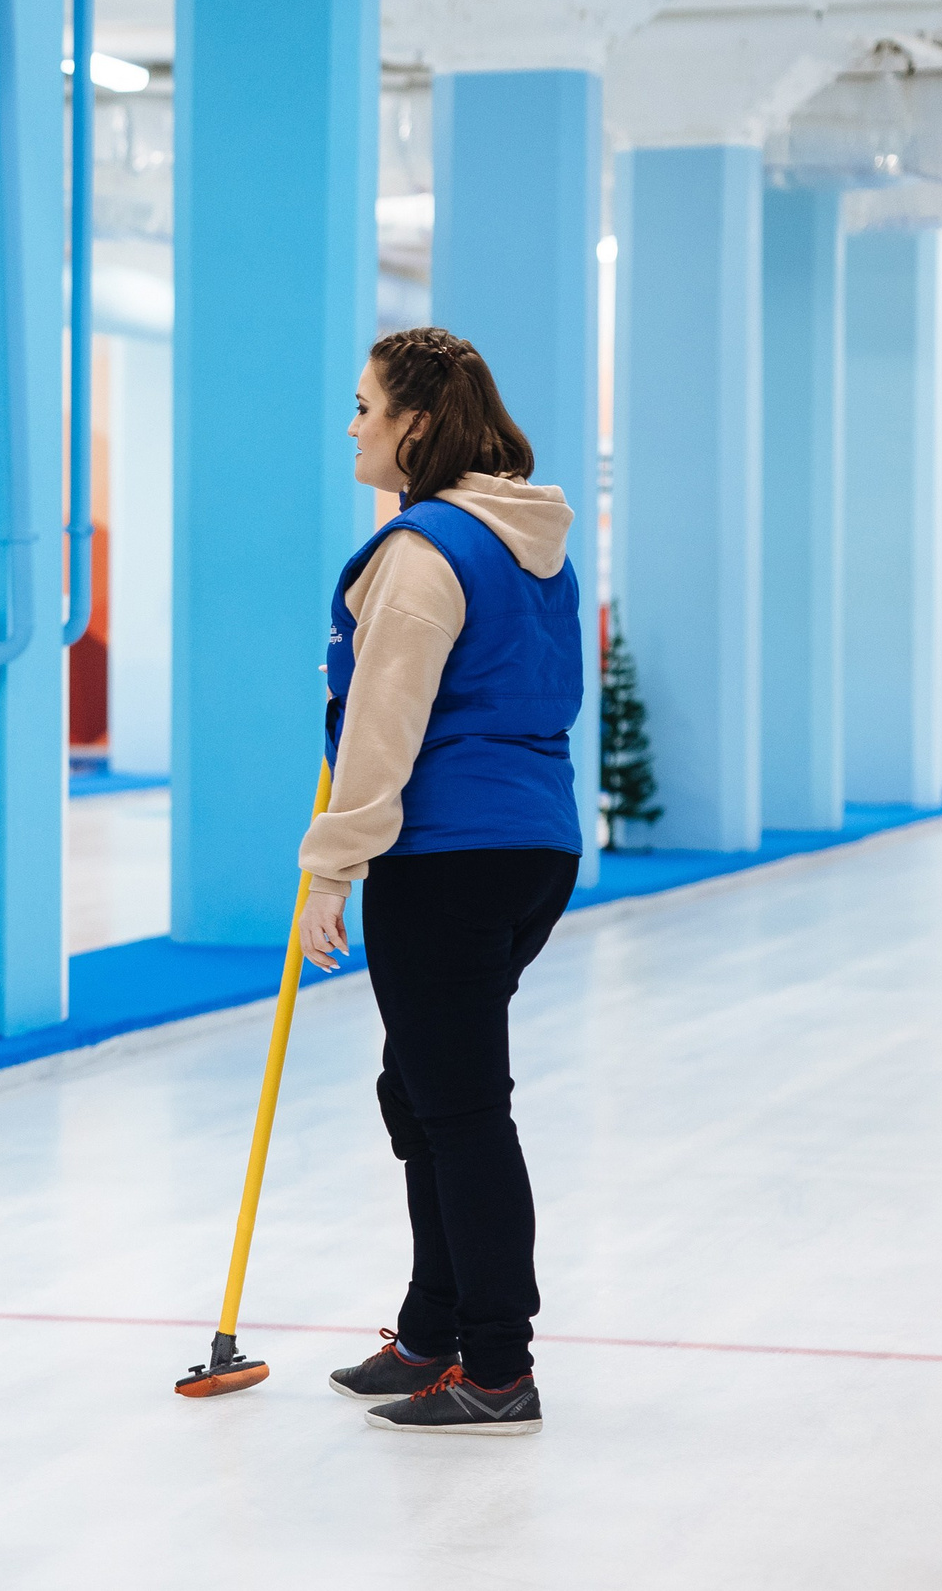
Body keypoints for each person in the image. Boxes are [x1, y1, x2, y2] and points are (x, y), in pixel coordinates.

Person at [299, 326, 583, 1436]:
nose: (355, 424)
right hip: (528, 847)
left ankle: (496, 1368)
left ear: (416, 422)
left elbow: (384, 726)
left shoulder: (423, 553)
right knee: (418, 1087)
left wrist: (333, 866)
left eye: (366, 404)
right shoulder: (524, 540)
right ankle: (432, 1329)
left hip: (448, 853)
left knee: (459, 1108)